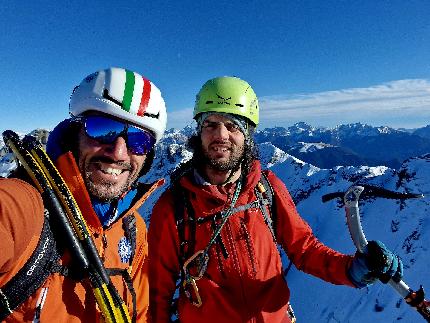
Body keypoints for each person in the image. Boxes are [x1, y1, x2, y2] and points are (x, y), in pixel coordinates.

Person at [147, 76, 403, 322]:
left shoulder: (266, 188)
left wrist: (352, 269)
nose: (221, 135)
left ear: (247, 134)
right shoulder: (174, 207)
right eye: (210, 124)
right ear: (199, 132)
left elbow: (303, 248)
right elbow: (158, 293)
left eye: (233, 125)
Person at [0, 67, 167, 322]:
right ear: (74, 134)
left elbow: (139, 313)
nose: (119, 153)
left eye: (138, 140)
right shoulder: (23, 208)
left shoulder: (133, 230)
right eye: (103, 128)